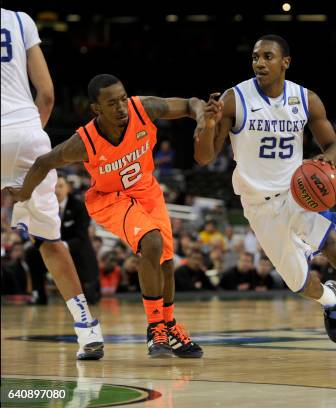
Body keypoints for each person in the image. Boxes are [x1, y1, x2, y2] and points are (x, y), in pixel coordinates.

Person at [197, 34, 336, 354]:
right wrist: (208, 124)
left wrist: (328, 161)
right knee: (300, 284)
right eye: (255, 57)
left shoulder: (306, 100)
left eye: (268, 57)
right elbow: (205, 158)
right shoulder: (235, 99)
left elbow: (334, 148)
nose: (259, 62)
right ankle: (330, 299)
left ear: (285, 62)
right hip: (259, 206)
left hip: (297, 194)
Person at [8, 73, 213, 358]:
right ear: (96, 109)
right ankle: (156, 329)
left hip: (147, 191)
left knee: (166, 261)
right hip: (110, 200)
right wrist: (23, 195)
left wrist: (201, 117)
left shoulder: (144, 109)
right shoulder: (84, 142)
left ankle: (169, 326)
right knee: (151, 243)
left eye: (123, 99)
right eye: (112, 104)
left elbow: (191, 103)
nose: (121, 108)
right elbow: (44, 162)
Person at [1, 8, 104, 360]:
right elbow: (45, 94)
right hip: (27, 133)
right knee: (49, 240)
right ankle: (87, 329)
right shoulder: (19, 19)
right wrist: (31, 140)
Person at [56, 174, 101, 303]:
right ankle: (38, 294)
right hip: (54, 250)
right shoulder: (45, 207)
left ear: (68, 188)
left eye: (60, 186)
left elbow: (81, 236)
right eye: (54, 187)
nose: (57, 190)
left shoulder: (79, 206)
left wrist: (62, 246)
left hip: (78, 251)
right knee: (31, 252)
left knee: (90, 299)